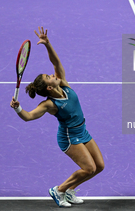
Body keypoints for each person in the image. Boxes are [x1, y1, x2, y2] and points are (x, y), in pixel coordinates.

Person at [10, 27, 104, 207]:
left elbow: (56, 61)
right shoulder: (50, 105)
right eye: (49, 77)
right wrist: (18, 108)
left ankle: (69, 191)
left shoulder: (64, 85)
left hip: (82, 131)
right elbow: (29, 117)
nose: (53, 75)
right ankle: (59, 190)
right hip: (69, 138)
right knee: (89, 168)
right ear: (49, 88)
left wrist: (47, 43)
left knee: (99, 167)